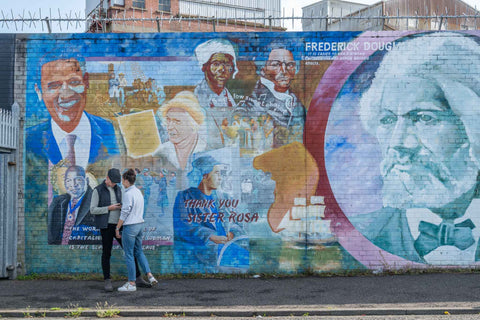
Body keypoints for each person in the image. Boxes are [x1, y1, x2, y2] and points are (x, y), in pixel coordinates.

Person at [352, 32, 480, 264]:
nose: (399, 143)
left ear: (473, 127)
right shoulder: (359, 233)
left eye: (424, 118)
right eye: (388, 120)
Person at [26, 57, 119, 169]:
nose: (66, 95)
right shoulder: (29, 140)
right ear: (39, 91)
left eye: (74, 82)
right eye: (54, 85)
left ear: (86, 82)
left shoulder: (111, 131)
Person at [173, 155, 249, 273]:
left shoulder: (224, 197)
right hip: (202, 255)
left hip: (228, 250)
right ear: (205, 176)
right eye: (217, 173)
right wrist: (210, 236)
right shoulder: (184, 197)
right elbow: (182, 226)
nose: (220, 178)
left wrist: (232, 233)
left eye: (221, 174)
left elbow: (238, 222)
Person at [90, 168, 152, 292]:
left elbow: (125, 205)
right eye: (113, 182)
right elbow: (92, 210)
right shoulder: (97, 190)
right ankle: (107, 280)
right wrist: (109, 208)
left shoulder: (119, 189)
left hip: (120, 226)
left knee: (130, 251)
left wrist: (122, 207)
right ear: (107, 178)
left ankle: (138, 278)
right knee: (106, 253)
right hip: (106, 226)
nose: (115, 185)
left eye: (116, 183)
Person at [236, 45, 305, 148]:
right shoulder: (251, 105)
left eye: (290, 64)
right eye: (276, 65)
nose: (284, 70)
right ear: (263, 69)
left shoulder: (298, 105)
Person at [116, 169, 158, 292]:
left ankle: (131, 283)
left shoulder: (128, 194)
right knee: (139, 252)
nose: (122, 182)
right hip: (140, 225)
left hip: (130, 227)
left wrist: (118, 227)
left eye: (123, 180)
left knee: (129, 254)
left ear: (125, 180)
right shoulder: (138, 192)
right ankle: (149, 275)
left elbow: (124, 213)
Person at [194, 39, 238, 149]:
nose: (222, 69)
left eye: (227, 64)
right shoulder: (195, 99)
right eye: (216, 64)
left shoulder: (229, 98)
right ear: (205, 67)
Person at [154, 91, 207, 170]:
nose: (170, 127)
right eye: (168, 120)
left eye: (177, 121)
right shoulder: (162, 151)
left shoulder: (206, 149)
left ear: (193, 124)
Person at [47, 165, 95, 245]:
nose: (73, 184)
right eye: (68, 180)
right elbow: (51, 233)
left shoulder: (95, 201)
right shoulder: (58, 202)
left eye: (78, 179)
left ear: (86, 181)